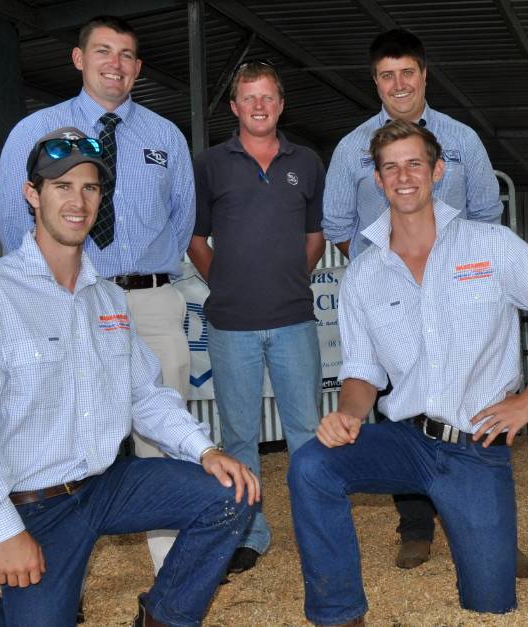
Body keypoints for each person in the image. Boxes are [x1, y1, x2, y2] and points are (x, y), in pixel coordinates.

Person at [0, 127, 259, 626]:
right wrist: (3, 531)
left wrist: (205, 451)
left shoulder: (106, 299)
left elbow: (145, 395)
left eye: (90, 187)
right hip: (35, 507)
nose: (78, 200)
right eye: (61, 186)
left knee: (231, 495)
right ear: (32, 194)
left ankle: (161, 618)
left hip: (105, 484)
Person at [287, 120, 528, 625]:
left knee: (491, 604)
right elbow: (362, 370)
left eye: (414, 164)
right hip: (407, 439)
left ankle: (486, 559)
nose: (403, 176)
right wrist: (347, 415)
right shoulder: (363, 271)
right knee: (312, 464)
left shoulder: (490, 245)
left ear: (437, 171)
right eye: (390, 167)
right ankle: (339, 614)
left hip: (476, 447)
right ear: (377, 181)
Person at [322, 28, 528, 578]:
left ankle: (492, 534)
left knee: (481, 407)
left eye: (407, 73)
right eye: (386, 75)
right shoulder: (351, 147)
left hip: (463, 297)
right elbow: (335, 221)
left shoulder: (462, 140)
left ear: (425, 75)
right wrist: (387, 268)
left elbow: (484, 213)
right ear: (374, 81)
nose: (398, 84)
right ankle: (416, 529)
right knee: (405, 407)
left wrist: (457, 274)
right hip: (393, 301)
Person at [0, 15, 195, 572]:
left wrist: (136, 275)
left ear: (138, 68)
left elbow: (181, 222)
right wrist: (53, 283)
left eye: (127, 55)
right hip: (66, 300)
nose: (115, 64)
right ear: (79, 59)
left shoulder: (165, 136)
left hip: (149, 302)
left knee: (165, 432)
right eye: (103, 51)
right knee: (62, 436)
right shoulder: (36, 129)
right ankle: (56, 570)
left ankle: (172, 577)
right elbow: (12, 215)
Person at [188, 61, 326, 575]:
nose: (260, 106)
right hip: (231, 325)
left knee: (306, 432)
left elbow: (315, 237)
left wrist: (292, 275)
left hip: (294, 320)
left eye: (268, 97)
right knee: (239, 435)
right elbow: (195, 237)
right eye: (250, 98)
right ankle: (249, 532)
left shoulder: (307, 161)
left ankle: (315, 528)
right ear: (234, 107)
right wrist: (223, 282)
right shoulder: (209, 163)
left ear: (281, 104)